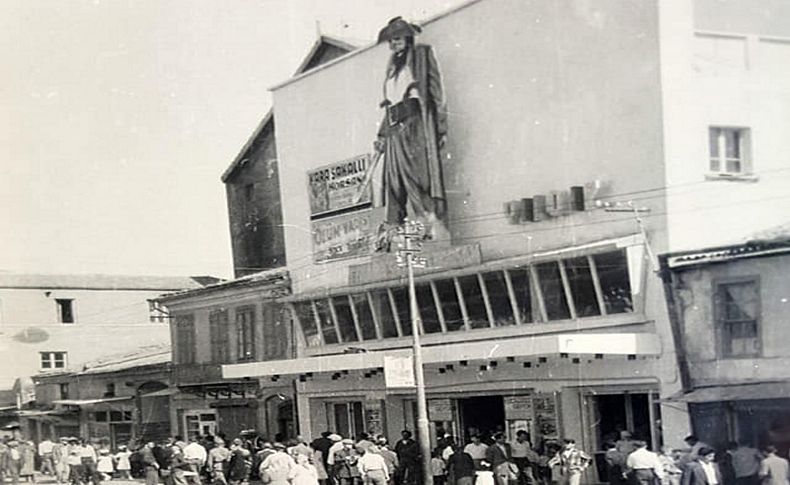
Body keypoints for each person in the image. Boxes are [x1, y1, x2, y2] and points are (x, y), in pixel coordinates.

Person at [372, 16, 449, 242]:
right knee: (394, 181)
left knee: (417, 177)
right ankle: (393, 232)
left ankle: (429, 226)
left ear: (407, 37)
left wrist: (441, 128)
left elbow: (437, 92)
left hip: (415, 123)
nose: (392, 44)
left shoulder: (422, 55)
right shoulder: (392, 67)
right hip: (394, 127)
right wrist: (381, 135)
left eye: (396, 39)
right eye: (390, 41)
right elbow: (389, 104)